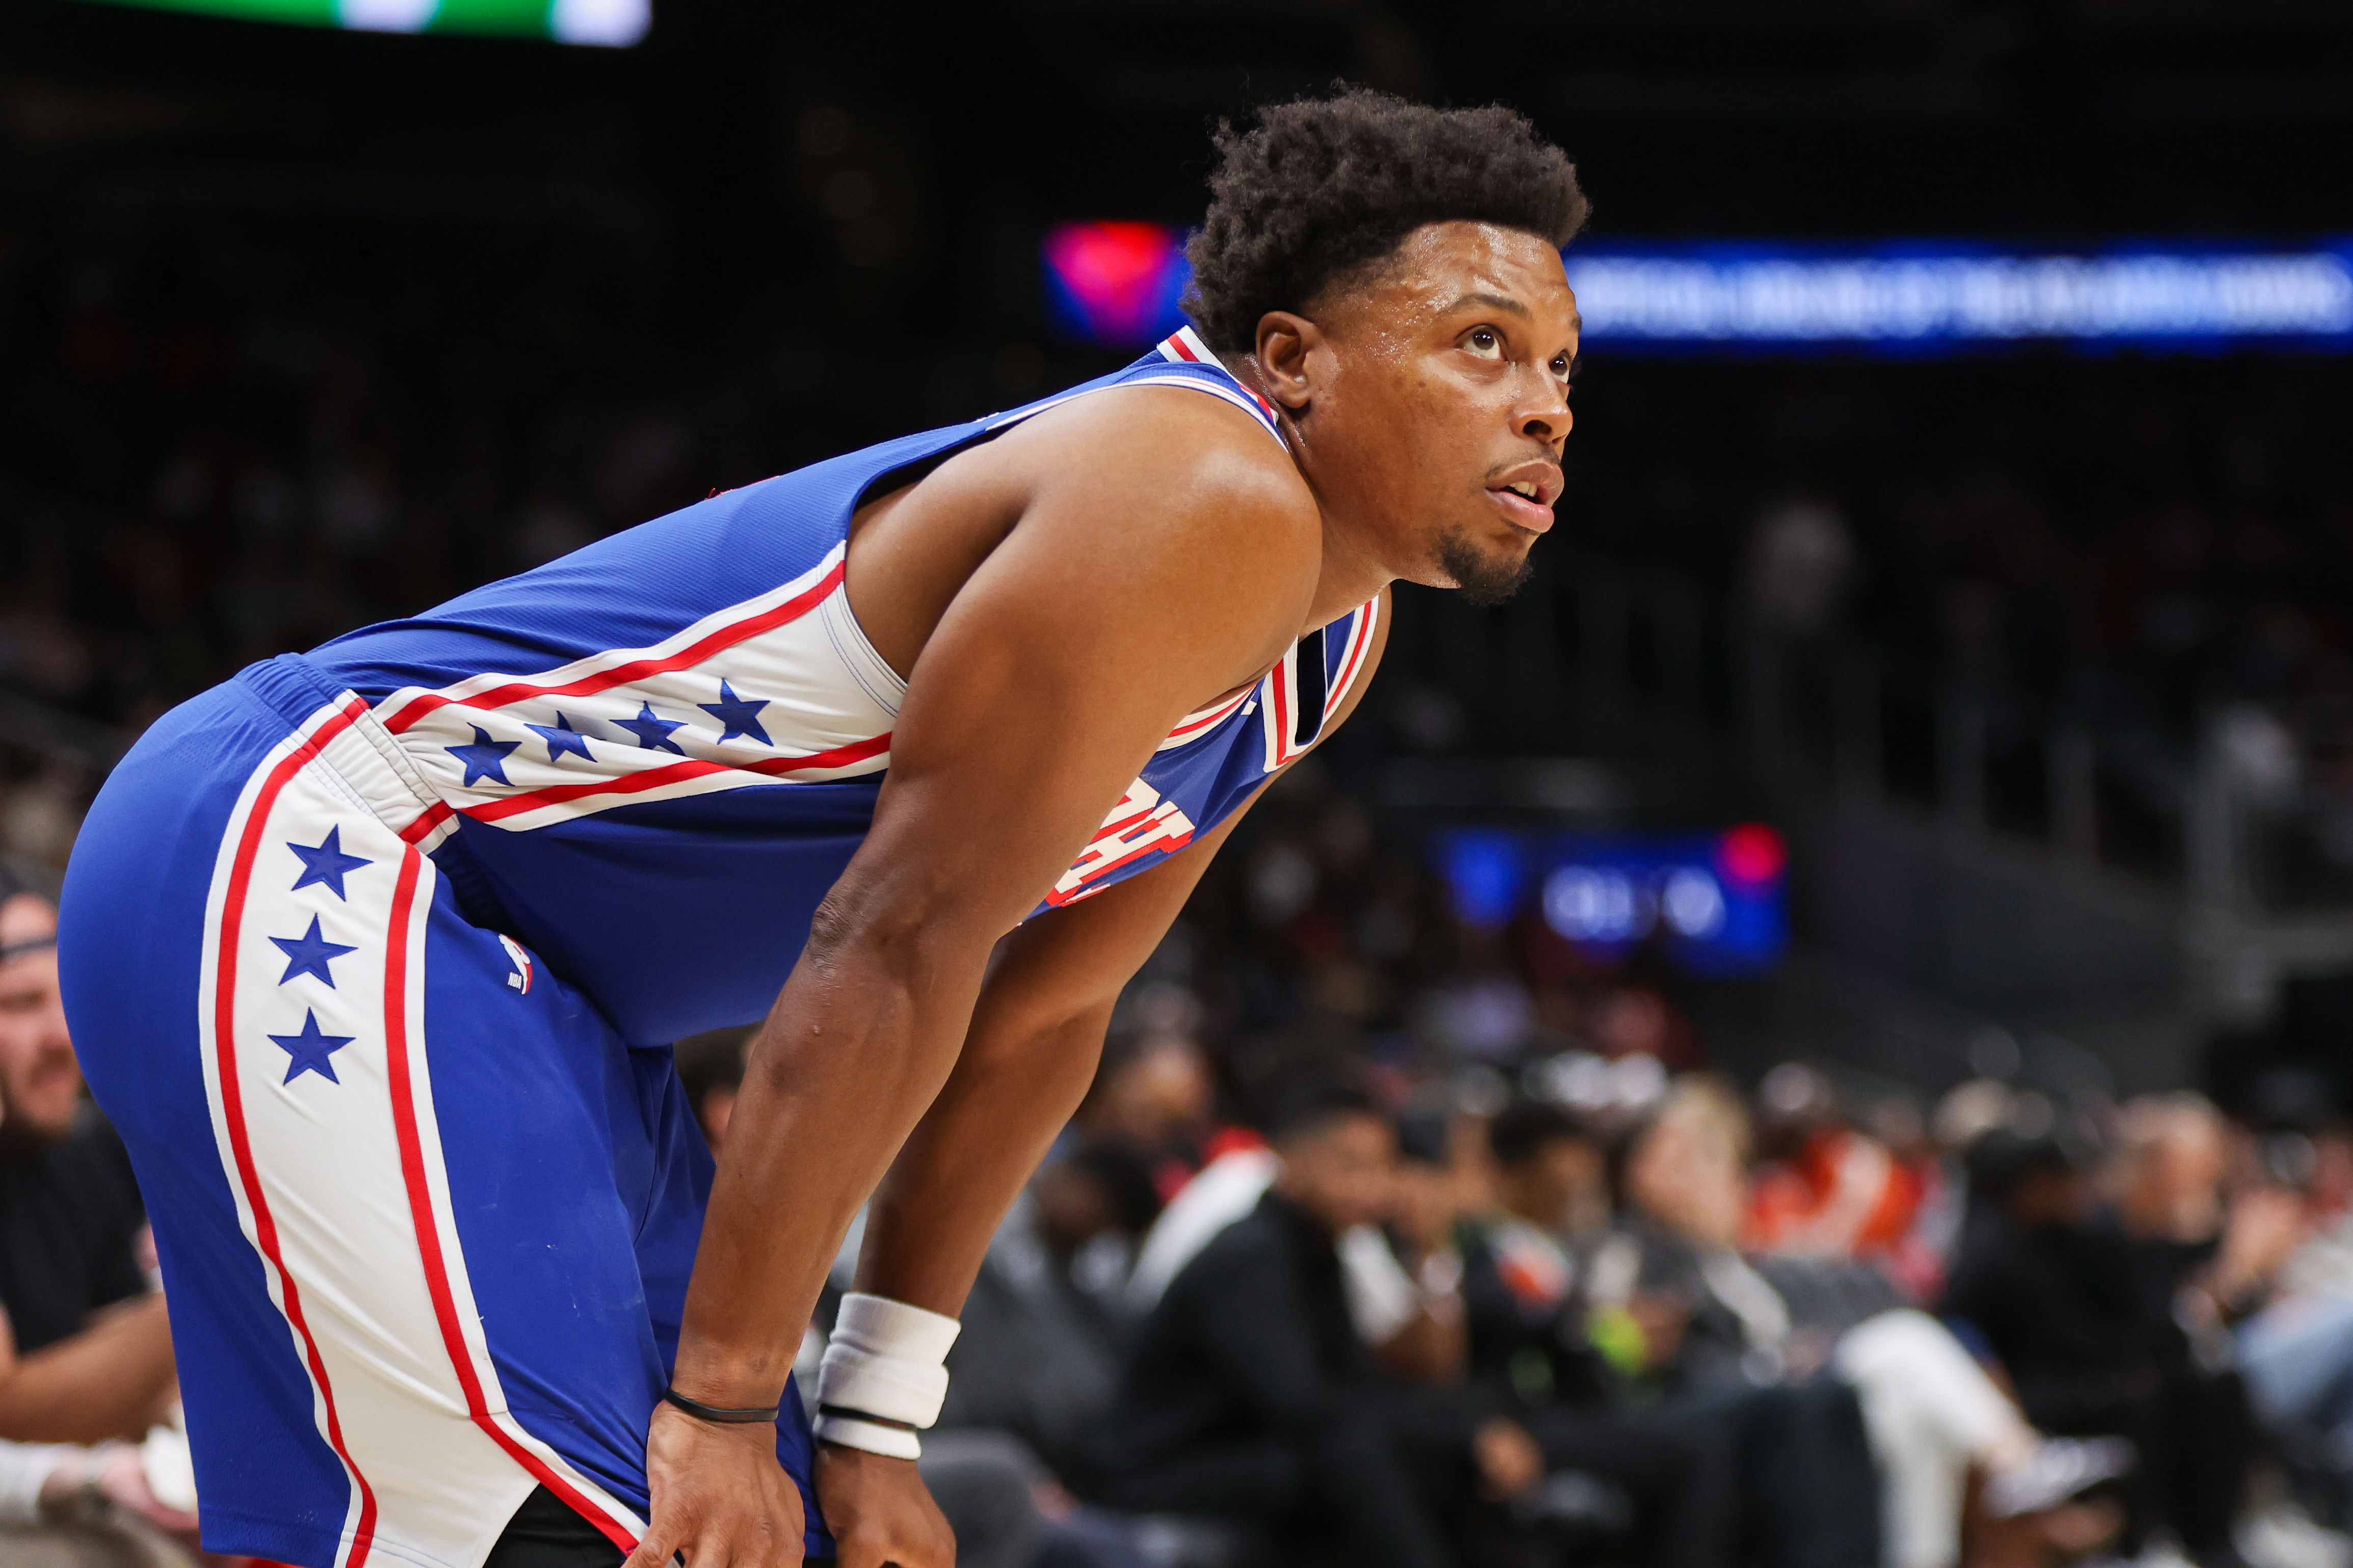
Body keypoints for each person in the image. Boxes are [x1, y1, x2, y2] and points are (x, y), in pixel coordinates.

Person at [55, 89, 1590, 1568]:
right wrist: (728, 1394)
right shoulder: (1200, 491)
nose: (1545, 406)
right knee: (572, 1523)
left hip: (546, 995)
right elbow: (897, 941)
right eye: (1483, 346)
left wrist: (871, 1419)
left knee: (746, 1528)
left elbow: (1043, 1010)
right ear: (1292, 357)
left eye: (1564, 368)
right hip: (324, 848)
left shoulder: (1334, 633)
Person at [1089, 1084, 1541, 1568]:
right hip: (1159, 1469)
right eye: (1352, 1166)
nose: (1373, 1188)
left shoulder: (1319, 1247)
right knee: (1352, 1457)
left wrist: (1470, 1433)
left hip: (1245, 1452)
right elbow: (1302, 1405)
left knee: (1436, 1461)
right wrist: (1459, 1438)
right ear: (1290, 1160)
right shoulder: (1250, 1256)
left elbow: (1362, 1381)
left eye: (1382, 1167)